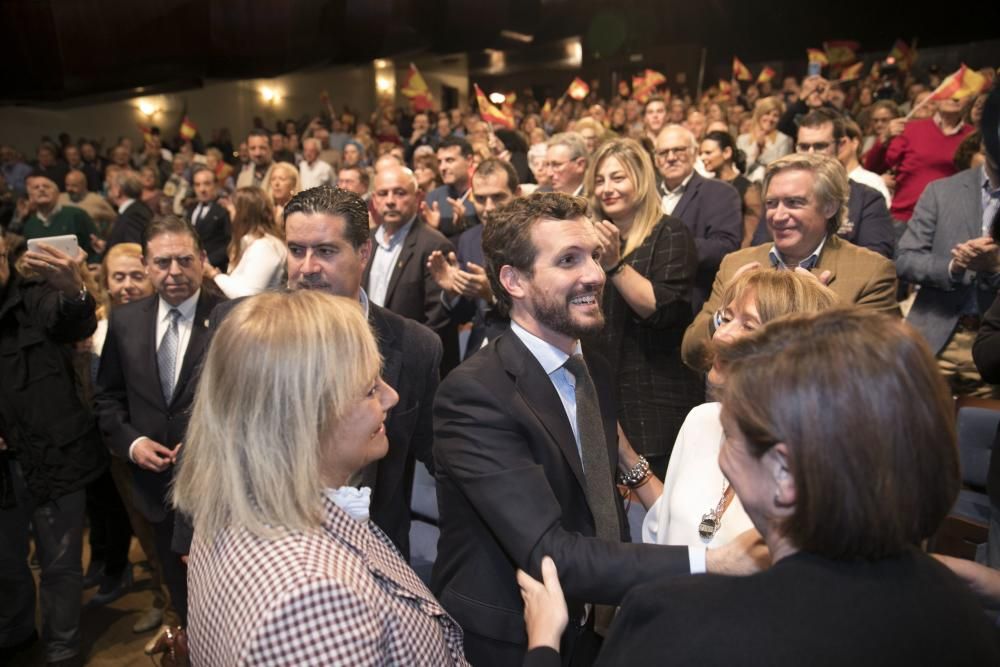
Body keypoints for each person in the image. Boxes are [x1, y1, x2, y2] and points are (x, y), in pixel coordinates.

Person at [521, 309, 1000, 666]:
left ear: (785, 474)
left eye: (732, 434)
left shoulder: (678, 623)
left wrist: (544, 645)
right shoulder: (962, 613)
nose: (722, 456)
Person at [432, 192, 766, 667]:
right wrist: (714, 562)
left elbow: (599, 512)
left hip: (598, 632)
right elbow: (549, 552)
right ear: (514, 281)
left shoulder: (593, 369)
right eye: (569, 260)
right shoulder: (475, 394)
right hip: (513, 642)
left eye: (592, 255)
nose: (593, 273)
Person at [172, 290, 468, 665]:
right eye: (369, 388)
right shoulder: (311, 597)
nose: (391, 397)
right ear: (304, 415)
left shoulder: (233, 508)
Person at [620, 269, 837, 548]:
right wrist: (626, 457)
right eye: (727, 318)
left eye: (749, 326)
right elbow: (666, 528)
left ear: (794, 353)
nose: (721, 335)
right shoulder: (701, 420)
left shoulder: (813, 461)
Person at [95, 216, 227, 635]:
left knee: (224, 602)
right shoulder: (125, 320)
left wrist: (211, 442)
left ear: (203, 260)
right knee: (179, 597)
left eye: (185, 260)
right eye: (163, 262)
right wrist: (132, 443)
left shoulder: (231, 318)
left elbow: (250, 402)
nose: (174, 272)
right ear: (146, 264)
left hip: (219, 494)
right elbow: (108, 397)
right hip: (153, 491)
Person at [682, 153, 899, 369]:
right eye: (771, 203)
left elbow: (877, 366)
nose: (778, 215)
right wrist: (728, 315)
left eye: (794, 203)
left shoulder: (870, 272)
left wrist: (824, 312)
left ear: (829, 207)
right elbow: (691, 352)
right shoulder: (737, 264)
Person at [0, 235, 104, 667]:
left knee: (61, 565)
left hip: (55, 456)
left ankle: (63, 647)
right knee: (6, 565)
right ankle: (16, 633)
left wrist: (74, 288)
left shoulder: (34, 293)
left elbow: (74, 323)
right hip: (4, 470)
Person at [585, 138, 701, 474]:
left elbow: (662, 310)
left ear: (641, 179)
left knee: (658, 513)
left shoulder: (670, 233)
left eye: (618, 178)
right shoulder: (588, 239)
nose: (607, 188)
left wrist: (615, 265)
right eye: (601, 179)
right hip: (600, 390)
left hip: (654, 399)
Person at [896, 149, 1000, 397]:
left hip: (992, 346)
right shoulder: (941, 191)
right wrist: (954, 266)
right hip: (936, 335)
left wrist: (995, 267)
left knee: (983, 431)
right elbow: (905, 260)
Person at [364, 165, 458, 373]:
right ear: (374, 200)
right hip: (364, 360)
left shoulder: (434, 245)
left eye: (399, 193)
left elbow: (436, 321)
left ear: (418, 197)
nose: (390, 200)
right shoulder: (364, 243)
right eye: (383, 193)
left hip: (410, 367)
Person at [655, 125, 742, 312]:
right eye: (663, 152)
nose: (671, 157)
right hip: (644, 306)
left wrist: (667, 246)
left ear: (694, 153)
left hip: (693, 306)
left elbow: (726, 248)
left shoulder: (721, 192)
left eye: (678, 150)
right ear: (656, 159)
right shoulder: (645, 196)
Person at [203, 186, 286, 298]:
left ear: (243, 213)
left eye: (233, 208)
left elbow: (247, 296)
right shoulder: (252, 242)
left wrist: (214, 275)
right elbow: (241, 285)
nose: (229, 211)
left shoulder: (265, 246)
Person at [737, 96, 794, 181]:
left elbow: (780, 169)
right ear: (759, 114)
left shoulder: (784, 140)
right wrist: (756, 147)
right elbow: (740, 169)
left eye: (775, 115)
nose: (770, 118)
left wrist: (765, 147)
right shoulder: (742, 139)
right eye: (767, 114)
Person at [187, 166, 231, 272]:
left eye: (207, 184)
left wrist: (209, 260)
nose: (202, 189)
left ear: (216, 185)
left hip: (216, 269)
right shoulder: (191, 210)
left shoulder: (224, 210)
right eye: (197, 185)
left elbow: (231, 243)